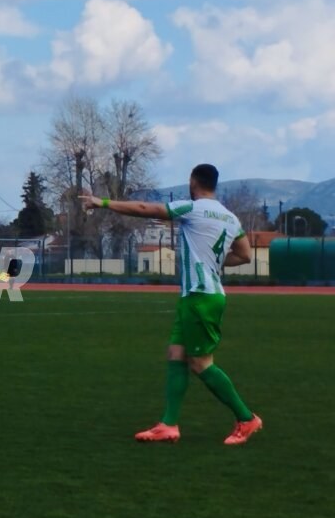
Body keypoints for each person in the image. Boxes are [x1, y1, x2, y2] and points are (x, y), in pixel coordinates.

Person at [80, 163, 262, 445]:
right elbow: (245, 255)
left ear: (193, 182)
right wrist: (213, 262)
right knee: (176, 353)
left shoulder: (192, 208)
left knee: (200, 363)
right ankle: (168, 424)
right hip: (200, 295)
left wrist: (101, 202)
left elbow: (145, 209)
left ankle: (246, 418)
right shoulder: (230, 218)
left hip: (201, 296)